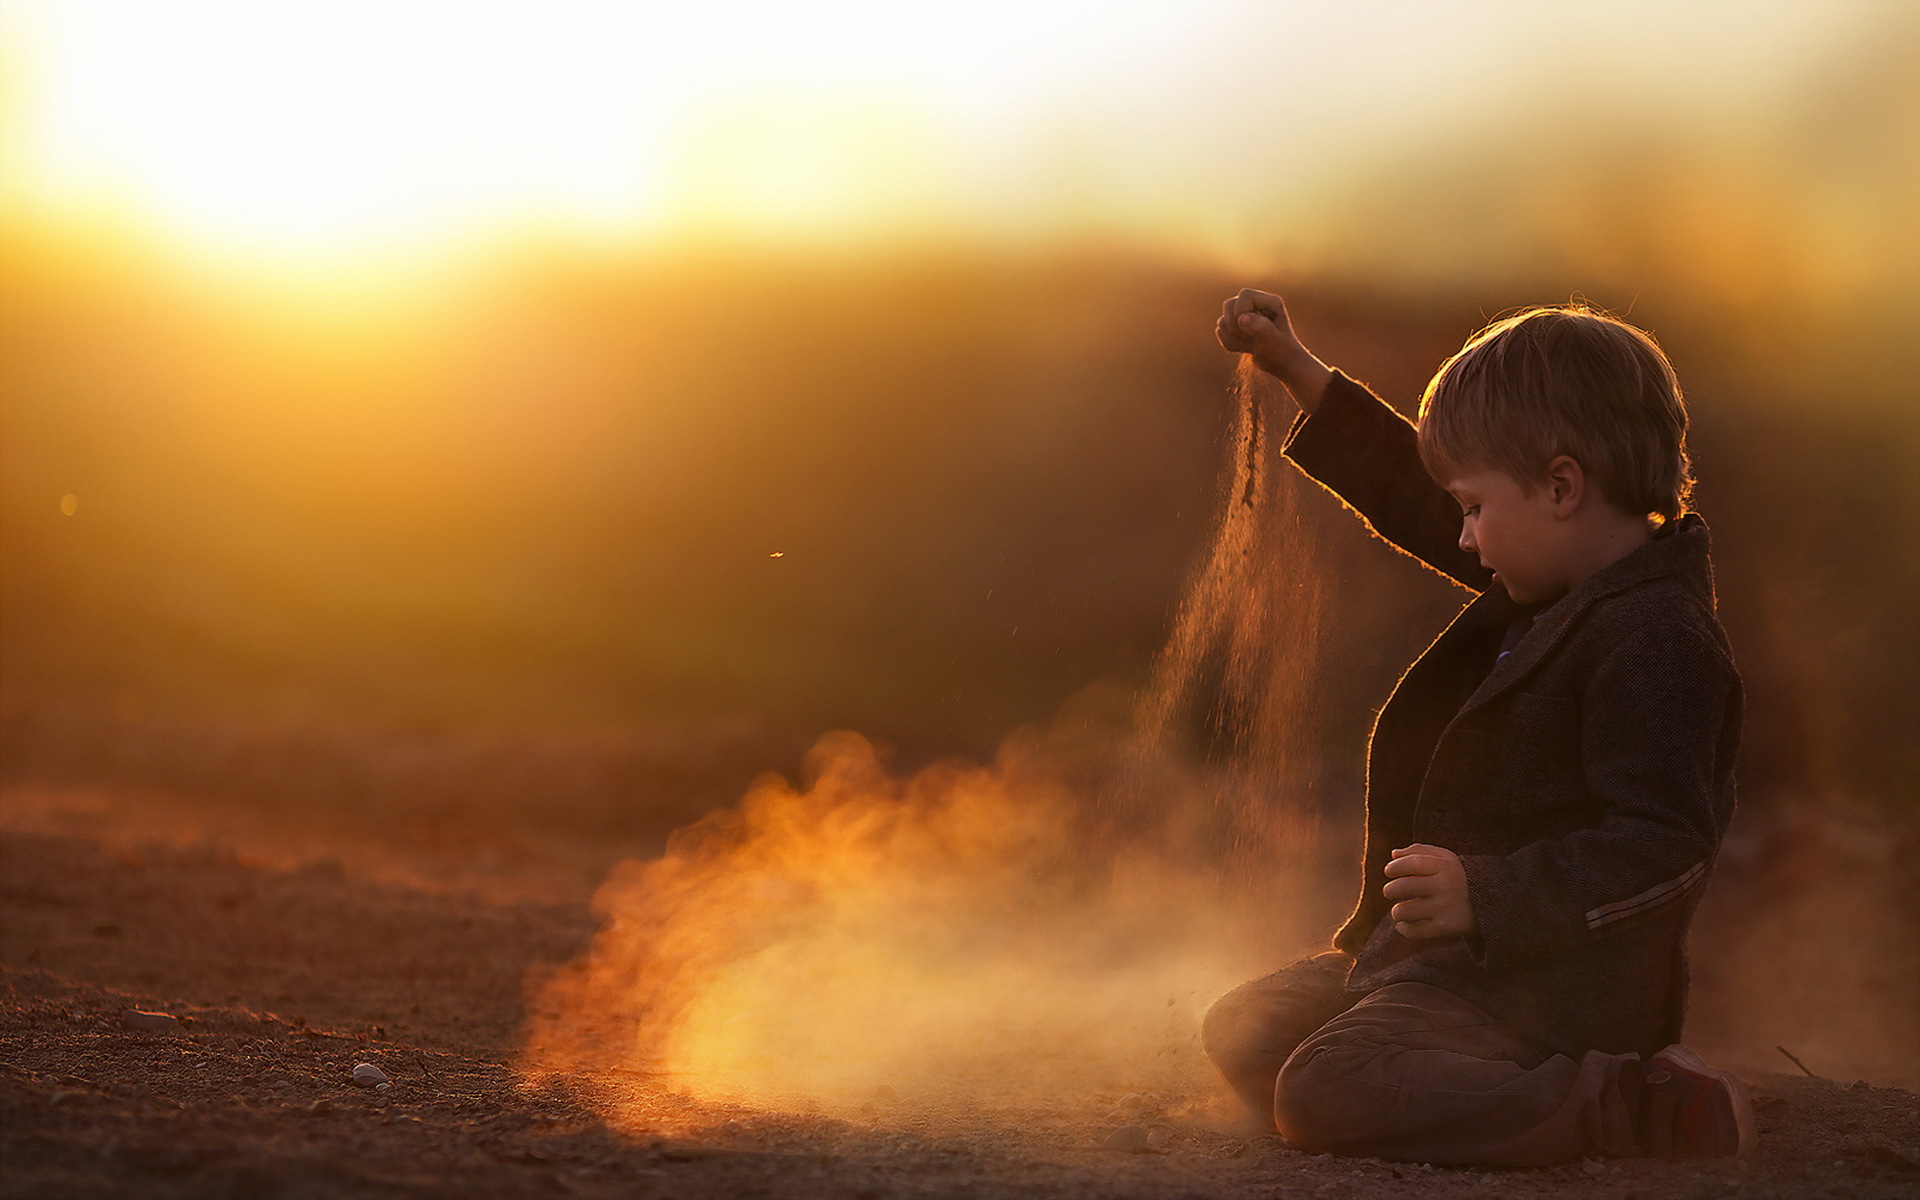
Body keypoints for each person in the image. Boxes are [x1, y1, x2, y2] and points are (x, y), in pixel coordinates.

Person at [1201, 288, 1753, 1165]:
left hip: (1549, 990)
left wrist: (1484, 895)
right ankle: (1447, 1068)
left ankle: (1630, 1106)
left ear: (1563, 487)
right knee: (1244, 1029)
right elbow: (1418, 492)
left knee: (1320, 1090)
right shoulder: (1561, 574)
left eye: (1471, 509)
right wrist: (1301, 372)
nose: (1460, 537)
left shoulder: (1657, 638)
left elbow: (1665, 847)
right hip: (1450, 964)